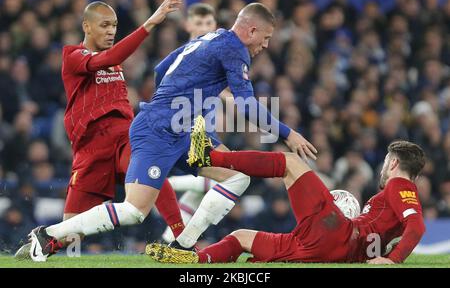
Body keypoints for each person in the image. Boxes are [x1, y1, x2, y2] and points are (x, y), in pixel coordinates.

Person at [28, 2, 317, 262]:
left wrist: (180, 107)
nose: (265, 45)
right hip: (158, 130)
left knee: (237, 176)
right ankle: (48, 234)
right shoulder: (235, 49)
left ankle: (183, 246)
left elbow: (161, 68)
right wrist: (287, 133)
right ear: (252, 30)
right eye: (265, 38)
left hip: (182, 129)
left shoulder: (210, 36)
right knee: (134, 211)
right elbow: (245, 103)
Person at [16, 0, 186, 259]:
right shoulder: (73, 56)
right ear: (86, 26)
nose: (111, 31)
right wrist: (151, 22)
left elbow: (113, 63)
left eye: (114, 26)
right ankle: (38, 246)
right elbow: (110, 57)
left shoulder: (113, 61)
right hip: (91, 151)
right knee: (71, 232)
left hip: (123, 138)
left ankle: (182, 238)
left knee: (152, 171)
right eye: (105, 25)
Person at [147, 120, 426, 264]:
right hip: (328, 251)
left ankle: (207, 158)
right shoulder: (395, 207)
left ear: (393, 163)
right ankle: (193, 259)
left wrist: (392, 261)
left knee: (290, 162)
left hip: (334, 233)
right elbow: (406, 227)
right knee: (240, 237)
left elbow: (417, 226)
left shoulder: (399, 185)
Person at [159, 3, 220, 243]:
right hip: (184, 128)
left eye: (208, 23)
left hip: (203, 127)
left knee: (203, 189)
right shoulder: (184, 56)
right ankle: (161, 185)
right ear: (187, 25)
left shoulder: (216, 55)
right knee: (221, 179)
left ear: (215, 25)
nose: (204, 28)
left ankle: (169, 239)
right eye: (199, 23)